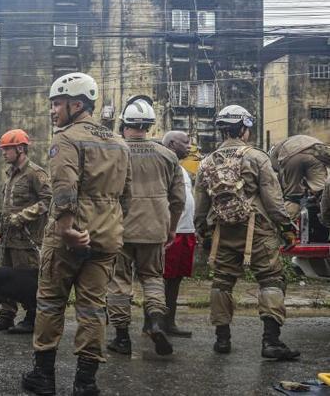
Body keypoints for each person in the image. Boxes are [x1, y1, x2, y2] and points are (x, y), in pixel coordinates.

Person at [22, 72, 131, 396]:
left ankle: (43, 377)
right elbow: (126, 194)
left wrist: (67, 228)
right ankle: (86, 382)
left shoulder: (66, 138)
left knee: (51, 303)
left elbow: (64, 187)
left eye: (57, 104)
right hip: (106, 237)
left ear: (77, 104)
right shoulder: (119, 142)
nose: (53, 111)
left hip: (70, 238)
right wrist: (110, 225)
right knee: (93, 308)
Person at [195, 104, 300, 360]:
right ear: (243, 128)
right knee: (271, 279)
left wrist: (204, 233)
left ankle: (222, 339)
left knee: (222, 281)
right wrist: (286, 227)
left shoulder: (206, 162)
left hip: (222, 230)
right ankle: (271, 341)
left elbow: (200, 206)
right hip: (259, 229)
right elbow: (273, 199)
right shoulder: (257, 157)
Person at [106, 96, 185, 356]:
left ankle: (121, 338)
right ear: (149, 125)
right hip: (154, 228)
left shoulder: (113, 150)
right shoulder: (168, 155)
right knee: (152, 278)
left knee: (119, 280)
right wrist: (171, 229)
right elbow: (178, 200)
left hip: (118, 227)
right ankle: (154, 321)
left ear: (124, 123)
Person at [0, 129, 51, 334]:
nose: (3, 153)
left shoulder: (35, 173)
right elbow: (7, 207)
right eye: (3, 149)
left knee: (26, 282)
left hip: (27, 240)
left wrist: (23, 216)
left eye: (7, 149)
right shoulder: (10, 174)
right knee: (6, 280)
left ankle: (32, 317)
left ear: (20, 149)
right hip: (9, 238)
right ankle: (6, 316)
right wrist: (0, 228)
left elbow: (47, 201)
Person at [161, 130, 196, 337]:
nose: (190, 146)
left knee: (176, 279)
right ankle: (155, 322)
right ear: (173, 143)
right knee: (163, 278)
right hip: (170, 232)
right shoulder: (164, 165)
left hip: (186, 231)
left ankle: (169, 322)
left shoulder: (181, 168)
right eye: (186, 142)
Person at [269, 135, 330, 220]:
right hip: (315, 157)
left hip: (292, 157)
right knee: (321, 191)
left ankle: (287, 224)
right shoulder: (299, 138)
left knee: (293, 197)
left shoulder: (273, 154)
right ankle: (323, 215)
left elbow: (278, 174)